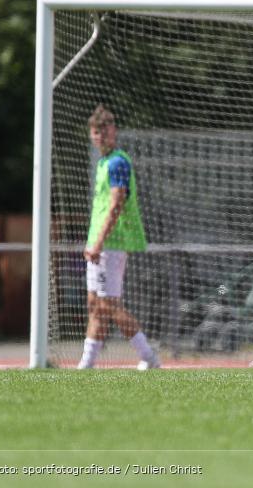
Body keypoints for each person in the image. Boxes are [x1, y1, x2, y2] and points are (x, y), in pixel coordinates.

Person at [77, 105, 160, 370]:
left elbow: (115, 205)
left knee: (108, 305)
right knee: (95, 303)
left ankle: (147, 356)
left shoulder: (117, 162)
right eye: (95, 132)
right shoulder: (103, 162)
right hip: (99, 242)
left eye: (104, 131)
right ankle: (88, 363)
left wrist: (99, 243)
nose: (99, 136)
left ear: (113, 132)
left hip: (111, 244)